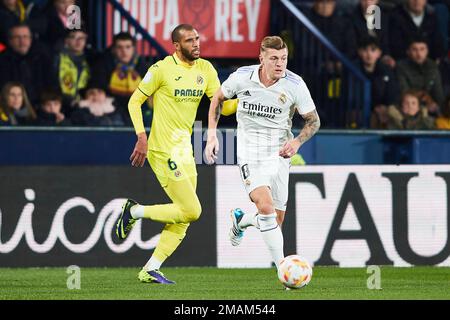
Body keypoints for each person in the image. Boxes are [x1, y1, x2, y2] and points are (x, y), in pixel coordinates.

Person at [114, 24, 237, 284]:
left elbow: (223, 109)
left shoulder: (206, 69)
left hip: (185, 150)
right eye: (189, 40)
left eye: (197, 38)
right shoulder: (161, 69)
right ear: (177, 45)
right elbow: (133, 101)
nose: (196, 43)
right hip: (161, 149)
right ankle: (134, 212)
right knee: (192, 210)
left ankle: (150, 268)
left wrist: (248, 99)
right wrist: (141, 136)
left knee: (184, 215)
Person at [205, 36, 320, 270]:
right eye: (274, 58)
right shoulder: (241, 77)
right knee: (265, 207)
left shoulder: (295, 85)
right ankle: (284, 269)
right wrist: (211, 135)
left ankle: (242, 221)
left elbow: (313, 121)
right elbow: (218, 98)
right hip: (250, 151)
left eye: (284, 59)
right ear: (262, 59)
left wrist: (297, 142)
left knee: (275, 220)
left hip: (279, 154)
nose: (280, 64)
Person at [89, 32, 150, 126]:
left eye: (128, 47)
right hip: (113, 107)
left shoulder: (142, 66)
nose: (124, 51)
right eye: (120, 47)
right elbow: (99, 87)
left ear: (133, 49)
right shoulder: (104, 64)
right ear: (113, 49)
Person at [0, 23, 53, 105]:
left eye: (25, 37)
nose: (22, 41)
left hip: (40, 105)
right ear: (10, 41)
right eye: (17, 37)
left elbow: (51, 86)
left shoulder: (41, 58)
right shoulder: (3, 61)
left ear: (31, 39)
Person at [356, 36, 400, 129]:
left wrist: (384, 106)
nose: (369, 54)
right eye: (365, 50)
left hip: (383, 108)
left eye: (373, 50)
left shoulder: (387, 71)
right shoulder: (353, 71)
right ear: (359, 52)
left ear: (379, 53)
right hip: (360, 110)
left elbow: (392, 93)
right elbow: (354, 97)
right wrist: (374, 108)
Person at [396, 37, 445, 116]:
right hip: (408, 106)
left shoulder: (433, 66)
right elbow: (404, 91)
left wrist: (437, 105)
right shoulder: (401, 66)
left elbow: (439, 93)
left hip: (430, 106)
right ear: (408, 51)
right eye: (414, 49)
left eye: (422, 49)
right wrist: (424, 96)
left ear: (427, 51)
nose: (419, 53)